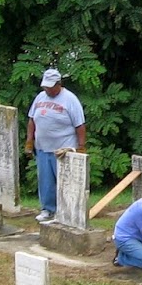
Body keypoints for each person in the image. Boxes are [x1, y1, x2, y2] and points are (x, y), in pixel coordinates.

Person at [26, 68, 86, 225]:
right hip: (43, 147)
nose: (47, 89)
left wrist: (81, 147)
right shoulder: (40, 97)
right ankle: (48, 209)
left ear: (59, 84)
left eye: (50, 87)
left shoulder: (70, 99)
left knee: (65, 182)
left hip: (63, 149)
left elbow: (79, 125)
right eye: (45, 87)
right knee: (45, 181)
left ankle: (67, 210)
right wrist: (29, 142)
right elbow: (32, 120)